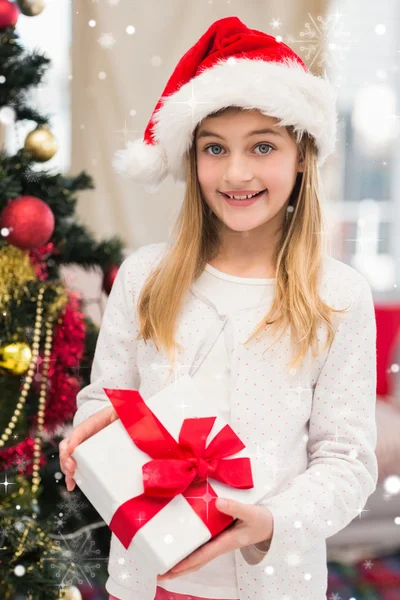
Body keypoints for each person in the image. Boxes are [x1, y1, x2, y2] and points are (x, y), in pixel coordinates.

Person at [59, 15, 378, 600]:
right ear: (191, 158)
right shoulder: (146, 278)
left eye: (263, 146)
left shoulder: (339, 296)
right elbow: (106, 398)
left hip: (276, 583)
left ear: (302, 155)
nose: (236, 173)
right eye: (214, 148)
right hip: (148, 579)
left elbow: (347, 458)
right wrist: (89, 431)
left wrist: (270, 526)